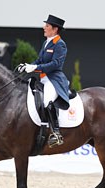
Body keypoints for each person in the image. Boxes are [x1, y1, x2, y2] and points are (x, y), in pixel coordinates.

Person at [19, 14, 70, 148]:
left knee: (47, 100)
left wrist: (35, 67)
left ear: (55, 29)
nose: (44, 27)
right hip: (42, 78)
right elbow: (40, 60)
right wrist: (27, 66)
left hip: (54, 80)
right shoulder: (46, 42)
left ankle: (57, 133)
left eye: (47, 26)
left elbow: (56, 64)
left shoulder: (60, 44)